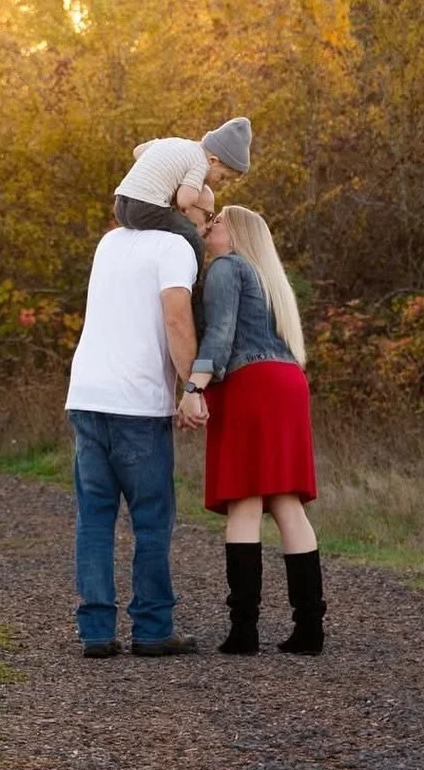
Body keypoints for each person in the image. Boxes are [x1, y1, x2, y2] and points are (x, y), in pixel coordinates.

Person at [180, 205, 325, 656]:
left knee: (245, 500)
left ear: (238, 233)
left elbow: (220, 334)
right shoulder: (268, 278)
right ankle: (309, 629)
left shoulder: (227, 266)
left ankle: (244, 629)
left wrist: (193, 386)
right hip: (287, 385)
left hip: (251, 386)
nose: (209, 227)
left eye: (217, 222)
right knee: (286, 502)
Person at [64, 208, 208, 658]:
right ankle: (152, 627)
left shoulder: (110, 242)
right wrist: (192, 386)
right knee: (151, 517)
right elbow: (177, 321)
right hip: (136, 402)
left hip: (86, 395)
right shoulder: (175, 247)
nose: (205, 224)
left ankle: (97, 631)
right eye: (204, 212)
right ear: (181, 211)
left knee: (95, 518)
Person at [112, 117, 252, 269]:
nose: (219, 182)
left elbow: (138, 151)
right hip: (145, 208)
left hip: (120, 205)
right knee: (193, 237)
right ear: (213, 160)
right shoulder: (200, 163)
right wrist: (191, 187)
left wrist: (165, 172)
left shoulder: (172, 142)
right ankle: (195, 280)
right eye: (222, 177)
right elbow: (184, 200)